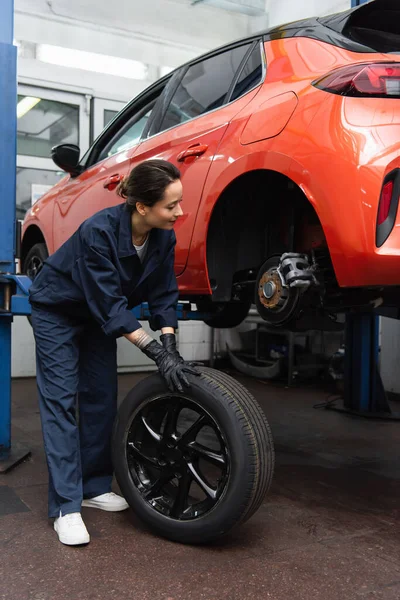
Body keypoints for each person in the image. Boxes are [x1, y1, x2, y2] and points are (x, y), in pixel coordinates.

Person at [29, 159, 199, 546]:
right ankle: (65, 508)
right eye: (171, 205)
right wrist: (157, 353)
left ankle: (92, 486)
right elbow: (110, 306)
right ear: (143, 207)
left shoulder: (162, 237)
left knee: (101, 398)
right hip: (59, 310)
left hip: (96, 316)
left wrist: (170, 342)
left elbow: (163, 293)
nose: (180, 212)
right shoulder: (98, 233)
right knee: (61, 402)